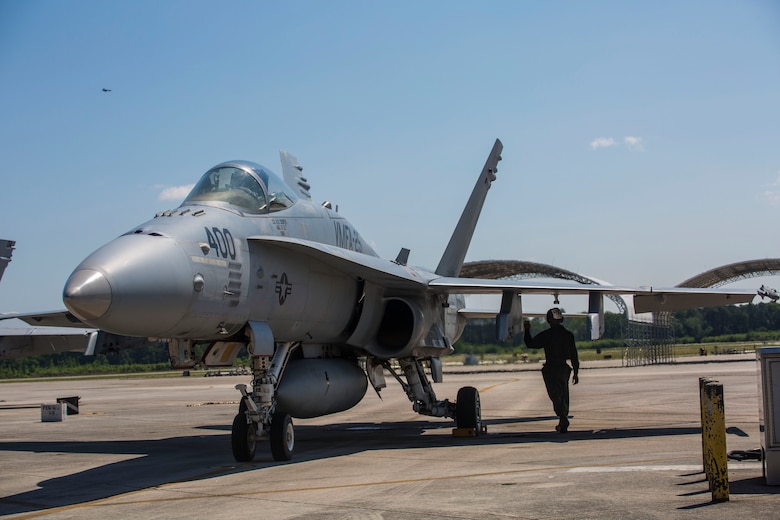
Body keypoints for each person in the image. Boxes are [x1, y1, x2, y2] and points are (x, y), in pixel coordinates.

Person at [523, 308, 579, 433]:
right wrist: (576, 371)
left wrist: (527, 330)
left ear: (549, 320)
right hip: (564, 368)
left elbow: (531, 344)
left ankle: (563, 416)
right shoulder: (568, 335)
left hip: (551, 368)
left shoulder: (547, 335)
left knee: (555, 394)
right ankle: (563, 417)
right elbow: (574, 354)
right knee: (564, 393)